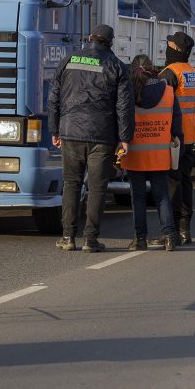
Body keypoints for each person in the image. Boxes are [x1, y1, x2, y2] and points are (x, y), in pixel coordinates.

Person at [47, 24, 134, 253]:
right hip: (102, 136)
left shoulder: (68, 60)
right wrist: (125, 138)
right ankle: (90, 240)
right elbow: (124, 107)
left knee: (71, 184)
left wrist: (55, 130)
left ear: (89, 39)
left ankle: (68, 237)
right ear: (110, 42)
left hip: (71, 132)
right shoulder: (117, 66)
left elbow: (53, 97)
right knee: (96, 188)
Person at [121, 55, 183, 252]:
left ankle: (140, 239)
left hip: (135, 155)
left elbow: (122, 122)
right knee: (162, 196)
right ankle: (169, 236)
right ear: (153, 69)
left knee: (137, 197)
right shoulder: (168, 92)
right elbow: (177, 126)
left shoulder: (128, 93)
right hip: (160, 155)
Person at [159, 31, 195, 245]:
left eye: (168, 45)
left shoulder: (169, 73)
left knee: (171, 184)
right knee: (186, 182)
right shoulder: (194, 73)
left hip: (173, 139)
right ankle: (185, 229)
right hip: (190, 136)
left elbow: (161, 107)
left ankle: (172, 231)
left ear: (174, 50)